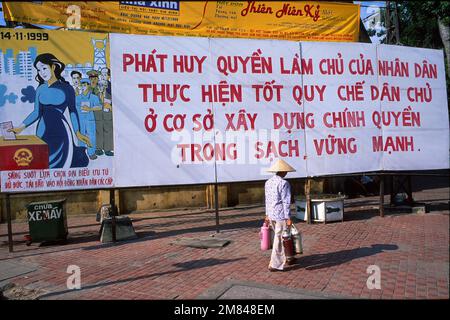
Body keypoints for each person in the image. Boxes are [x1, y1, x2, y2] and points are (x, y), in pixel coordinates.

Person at [10, 53, 91, 169]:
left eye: (44, 68)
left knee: (62, 164)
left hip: (61, 131)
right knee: (43, 161)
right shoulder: (40, 89)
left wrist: (77, 132)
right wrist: (20, 127)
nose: (42, 72)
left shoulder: (67, 88)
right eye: (38, 70)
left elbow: (73, 111)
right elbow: (36, 112)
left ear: (53, 67)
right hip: (42, 130)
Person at [264, 158, 296, 272]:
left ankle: (289, 257)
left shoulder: (268, 182)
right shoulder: (284, 183)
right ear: (283, 172)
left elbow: (267, 200)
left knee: (280, 237)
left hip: (272, 214)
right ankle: (274, 264)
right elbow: (286, 201)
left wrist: (267, 214)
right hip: (281, 215)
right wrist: (288, 217)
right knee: (279, 238)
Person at [76, 78, 102, 160]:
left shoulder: (93, 97)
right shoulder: (77, 98)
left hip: (90, 120)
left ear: (88, 86)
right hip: (80, 120)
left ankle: (91, 153)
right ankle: (81, 153)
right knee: (81, 136)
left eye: (84, 85)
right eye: (81, 85)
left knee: (91, 137)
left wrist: (90, 109)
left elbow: (99, 107)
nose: (83, 87)